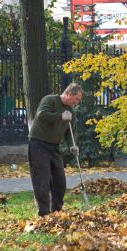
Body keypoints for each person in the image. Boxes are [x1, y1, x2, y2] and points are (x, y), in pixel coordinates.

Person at [28, 83, 83, 217]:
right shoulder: (50, 100)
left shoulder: (71, 112)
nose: (77, 102)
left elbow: (71, 132)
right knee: (42, 180)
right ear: (69, 93)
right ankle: (44, 213)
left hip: (54, 147)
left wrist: (73, 145)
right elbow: (41, 115)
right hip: (38, 144)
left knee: (60, 181)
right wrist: (60, 116)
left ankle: (57, 211)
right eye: (76, 99)